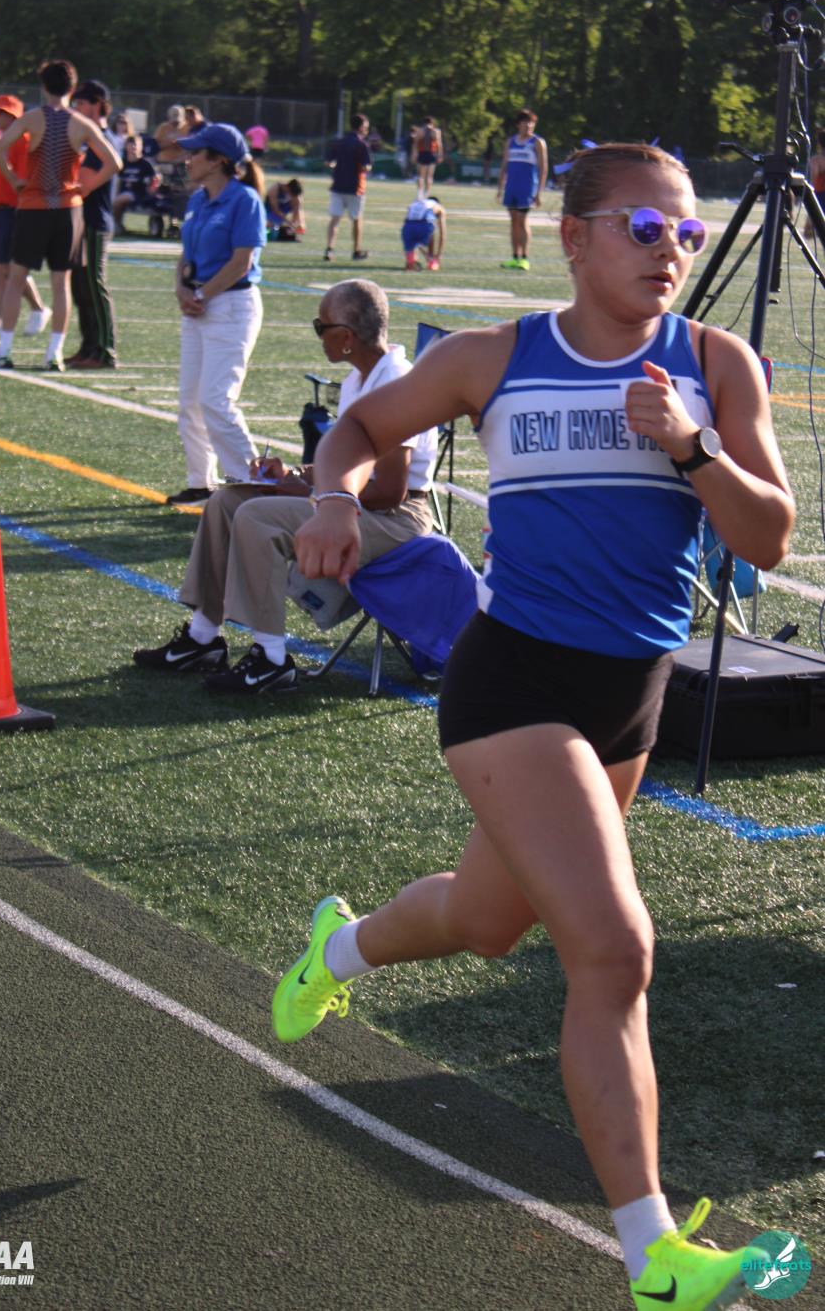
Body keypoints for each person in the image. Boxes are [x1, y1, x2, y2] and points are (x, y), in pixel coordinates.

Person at [274, 142, 795, 1311]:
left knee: (486, 920)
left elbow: (767, 537)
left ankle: (337, 949)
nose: (671, 252)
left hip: (630, 697)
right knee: (612, 950)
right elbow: (356, 435)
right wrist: (329, 503)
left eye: (686, 233)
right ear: (573, 237)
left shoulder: (715, 365)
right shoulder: (493, 358)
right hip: (512, 686)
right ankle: (653, 1256)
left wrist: (693, 447)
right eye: (644, 229)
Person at [133, 278, 437, 692]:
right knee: (227, 501)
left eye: (321, 327)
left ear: (347, 337)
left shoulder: (395, 384)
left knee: (257, 517)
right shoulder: (360, 379)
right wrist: (294, 474)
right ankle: (203, 637)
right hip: (357, 504)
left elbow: (390, 492)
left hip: (396, 519)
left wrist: (314, 493)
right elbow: (349, 464)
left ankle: (271, 658)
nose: (319, 335)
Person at [0, 59, 121, 373]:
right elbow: (114, 162)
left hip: (34, 207)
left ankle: (4, 351)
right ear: (72, 88)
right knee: (61, 283)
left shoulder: (33, 118)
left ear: (44, 86)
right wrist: (84, 188)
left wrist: (14, 179)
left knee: (16, 278)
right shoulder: (80, 123)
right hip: (67, 209)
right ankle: (53, 353)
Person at [168, 122, 267, 504]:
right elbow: (186, 255)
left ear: (218, 161)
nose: (188, 159)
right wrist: (182, 288)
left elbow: (243, 262)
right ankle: (201, 482)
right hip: (200, 306)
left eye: (195, 153)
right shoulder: (198, 200)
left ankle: (251, 485)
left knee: (216, 400)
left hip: (231, 307)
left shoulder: (245, 200)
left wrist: (201, 294)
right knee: (190, 402)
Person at [0, 95, 49, 339]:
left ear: (12, 116)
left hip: (15, 210)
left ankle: (39, 308)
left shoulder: (22, 141)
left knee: (11, 269)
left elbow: (22, 181)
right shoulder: (5, 139)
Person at [69, 78, 120, 369]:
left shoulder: (101, 140)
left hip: (94, 221)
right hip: (82, 219)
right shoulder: (89, 139)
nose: (76, 108)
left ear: (98, 105)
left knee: (93, 286)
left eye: (82, 102)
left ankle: (104, 350)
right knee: (80, 287)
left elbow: (85, 182)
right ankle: (88, 347)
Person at [497, 108, 549, 270]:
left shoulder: (537, 142)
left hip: (527, 188)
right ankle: (514, 257)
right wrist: (500, 188)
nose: (529, 126)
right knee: (513, 220)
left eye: (531, 123)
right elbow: (504, 166)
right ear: (518, 124)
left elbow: (543, 168)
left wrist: (539, 192)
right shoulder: (511, 142)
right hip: (511, 187)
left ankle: (525, 258)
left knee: (522, 219)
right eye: (526, 122)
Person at [324, 112, 372, 263]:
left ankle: (329, 249)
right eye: (366, 127)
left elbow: (329, 162)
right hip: (355, 187)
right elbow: (366, 166)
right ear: (361, 127)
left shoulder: (339, 142)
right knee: (356, 219)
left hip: (338, 185)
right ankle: (356, 250)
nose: (367, 130)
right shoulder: (361, 144)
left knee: (335, 219)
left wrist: (339, 168)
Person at [113, 135, 159, 233]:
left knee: (121, 199)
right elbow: (119, 181)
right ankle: (118, 224)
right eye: (131, 144)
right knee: (117, 199)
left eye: (136, 145)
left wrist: (152, 191)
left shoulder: (145, 164)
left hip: (139, 193)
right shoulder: (123, 163)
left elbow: (154, 180)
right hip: (125, 192)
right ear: (126, 146)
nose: (133, 147)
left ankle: (116, 225)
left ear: (141, 147)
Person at [401, 194, 446, 270]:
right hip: (424, 226)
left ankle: (411, 260)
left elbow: (407, 218)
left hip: (407, 227)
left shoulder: (416, 203)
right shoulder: (438, 207)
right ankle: (432, 260)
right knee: (431, 231)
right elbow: (442, 234)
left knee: (413, 243)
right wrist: (439, 255)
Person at [412, 115, 443, 194]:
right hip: (432, 154)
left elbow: (415, 144)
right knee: (429, 176)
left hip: (422, 153)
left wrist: (414, 154)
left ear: (424, 123)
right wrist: (440, 155)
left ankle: (420, 193)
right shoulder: (436, 131)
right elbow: (439, 144)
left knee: (420, 176)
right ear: (432, 123)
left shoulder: (420, 131)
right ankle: (427, 193)